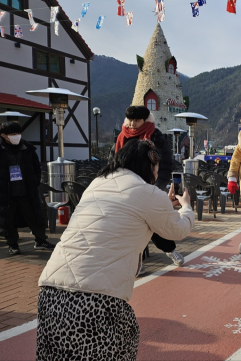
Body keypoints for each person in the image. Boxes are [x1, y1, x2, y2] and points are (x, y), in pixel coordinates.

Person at [37, 139, 193, 360]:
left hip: (50, 292)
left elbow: (125, 209)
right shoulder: (149, 193)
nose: (157, 175)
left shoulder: (97, 182)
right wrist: (186, 207)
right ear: (149, 168)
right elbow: (178, 229)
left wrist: (162, 205)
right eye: (156, 170)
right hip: (96, 301)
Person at [112, 106, 185, 268]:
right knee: (132, 224)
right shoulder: (121, 137)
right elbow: (114, 162)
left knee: (156, 221)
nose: (132, 124)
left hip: (150, 184)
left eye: (136, 120)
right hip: (126, 187)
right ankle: (136, 260)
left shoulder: (155, 136)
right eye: (130, 120)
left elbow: (166, 163)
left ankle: (170, 249)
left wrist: (158, 186)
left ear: (145, 121)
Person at [0, 121, 55, 255]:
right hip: (7, 193)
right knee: (9, 220)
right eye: (13, 134)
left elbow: (37, 168)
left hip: (27, 191)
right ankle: (13, 244)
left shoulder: (28, 149)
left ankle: (41, 240)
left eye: (18, 133)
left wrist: (35, 180)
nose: (16, 136)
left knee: (34, 217)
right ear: (4, 135)